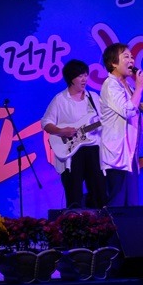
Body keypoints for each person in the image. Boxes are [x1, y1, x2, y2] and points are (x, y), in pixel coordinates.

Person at [41, 59, 107, 209]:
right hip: (71, 153)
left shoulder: (93, 98)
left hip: (94, 150)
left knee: (99, 193)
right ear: (71, 78)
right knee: (74, 194)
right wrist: (61, 131)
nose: (84, 79)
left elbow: (104, 120)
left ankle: (100, 220)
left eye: (86, 75)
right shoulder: (60, 99)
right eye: (80, 76)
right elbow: (46, 122)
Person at [98, 43, 143, 207]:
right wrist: (139, 87)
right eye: (126, 56)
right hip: (117, 154)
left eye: (132, 57)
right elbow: (127, 111)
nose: (131, 60)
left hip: (130, 152)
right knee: (118, 204)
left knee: (132, 204)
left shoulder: (126, 85)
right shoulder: (110, 84)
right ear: (113, 63)